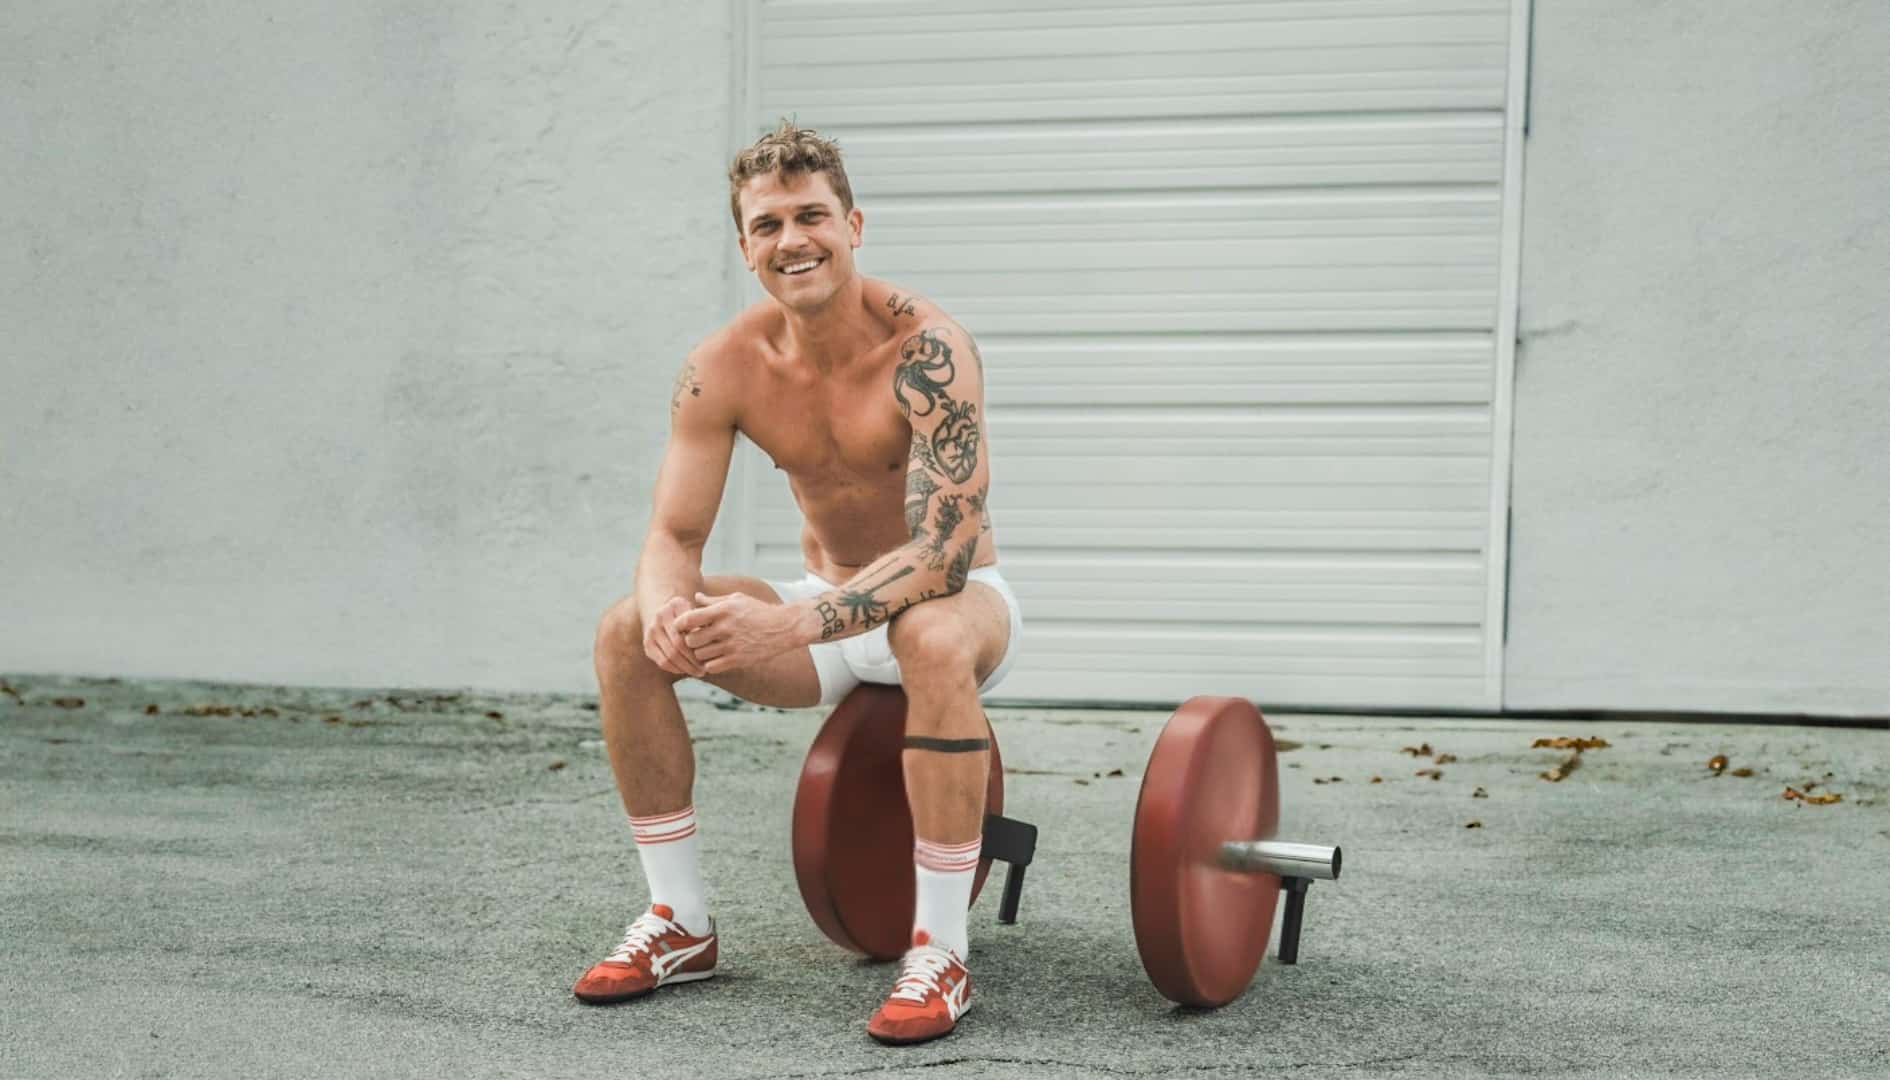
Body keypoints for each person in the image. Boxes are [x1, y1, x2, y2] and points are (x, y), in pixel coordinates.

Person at [571, 121, 1023, 1046]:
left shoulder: (930, 350)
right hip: (824, 611)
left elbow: (941, 551)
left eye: (811, 215)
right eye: (768, 225)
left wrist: (793, 624)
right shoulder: (723, 367)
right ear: (746, 248)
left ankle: (941, 952)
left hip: (955, 604)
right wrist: (666, 613)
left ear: (853, 225)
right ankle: (680, 922)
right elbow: (674, 535)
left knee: (930, 635)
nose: (793, 240)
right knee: (623, 632)